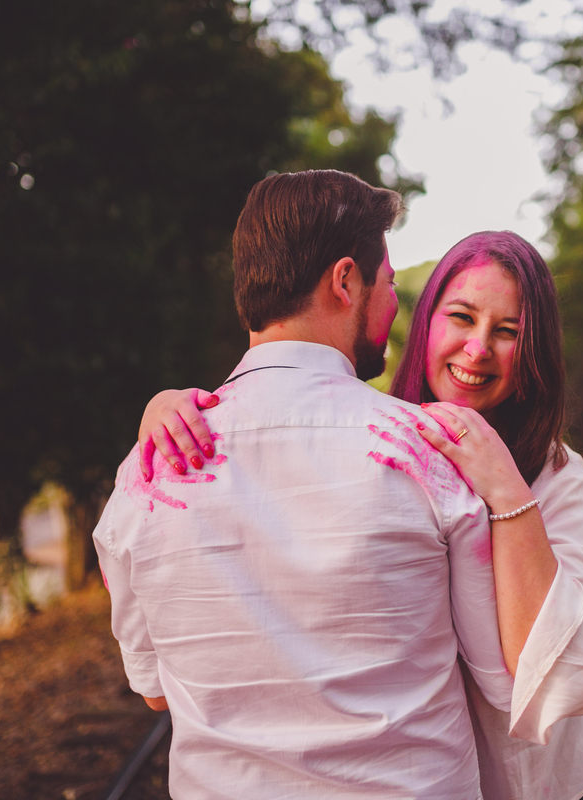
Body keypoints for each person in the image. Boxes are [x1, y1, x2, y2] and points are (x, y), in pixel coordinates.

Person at [141, 231, 583, 800]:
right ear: (426, 320)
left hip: (539, 781)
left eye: (508, 331)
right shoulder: (377, 437)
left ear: (534, 352)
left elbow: (559, 668)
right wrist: (170, 410)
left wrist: (505, 487)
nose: (477, 348)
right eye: (461, 317)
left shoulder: (562, 480)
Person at [95, 170, 522, 800]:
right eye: (388, 284)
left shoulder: (147, 472)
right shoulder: (428, 454)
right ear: (345, 281)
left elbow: (155, 691)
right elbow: (501, 677)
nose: (394, 306)